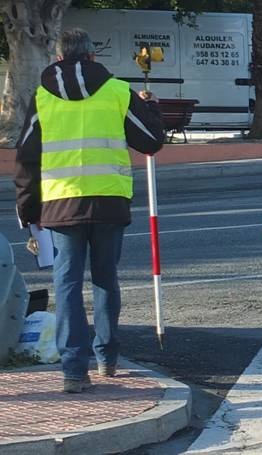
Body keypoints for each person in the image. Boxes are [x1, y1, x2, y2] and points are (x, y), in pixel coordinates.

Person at [14, 28, 165, 394]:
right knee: (105, 279)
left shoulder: (42, 97)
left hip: (61, 204)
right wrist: (149, 107)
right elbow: (151, 141)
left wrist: (27, 210)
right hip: (109, 201)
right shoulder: (117, 91)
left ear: (59, 57)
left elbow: (26, 157)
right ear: (94, 57)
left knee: (66, 285)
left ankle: (73, 370)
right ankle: (107, 357)